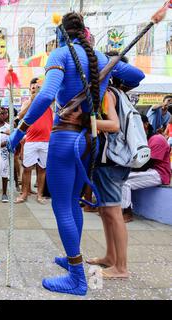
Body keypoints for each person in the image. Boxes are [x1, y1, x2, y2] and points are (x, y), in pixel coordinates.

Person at [7, 12, 144, 295]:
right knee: (71, 202)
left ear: (60, 35)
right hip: (85, 141)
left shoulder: (60, 54)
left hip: (65, 137)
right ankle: (74, 260)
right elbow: (137, 75)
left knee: (62, 206)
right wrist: (108, 63)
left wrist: (19, 131)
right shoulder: (101, 59)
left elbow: (45, 96)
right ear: (84, 32)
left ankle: (77, 277)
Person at [86, 56, 132, 279]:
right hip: (112, 161)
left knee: (113, 212)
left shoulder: (107, 94)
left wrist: (86, 121)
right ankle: (110, 258)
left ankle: (121, 267)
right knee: (105, 210)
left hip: (111, 161)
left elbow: (113, 125)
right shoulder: (118, 93)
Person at [121, 115, 171, 222]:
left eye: (136, 125)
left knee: (125, 181)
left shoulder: (157, 139)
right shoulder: (144, 139)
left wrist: (125, 170)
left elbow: (145, 165)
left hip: (159, 173)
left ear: (146, 124)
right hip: (150, 171)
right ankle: (117, 209)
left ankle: (127, 212)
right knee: (120, 177)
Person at [16, 77, 53, 204]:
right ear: (29, 89)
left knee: (42, 169)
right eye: (33, 87)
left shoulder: (47, 101)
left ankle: (40, 195)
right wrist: (32, 101)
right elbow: (20, 116)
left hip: (46, 140)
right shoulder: (27, 102)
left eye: (37, 87)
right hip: (31, 140)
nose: (35, 89)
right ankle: (24, 194)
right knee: (27, 168)